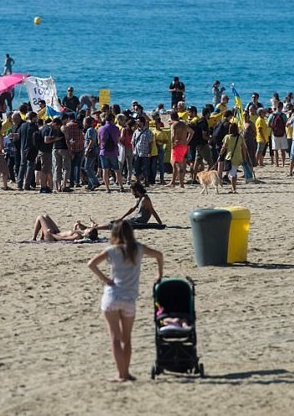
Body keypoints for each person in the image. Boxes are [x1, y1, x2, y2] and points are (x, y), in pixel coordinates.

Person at [87, 220, 164, 382]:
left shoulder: (112, 250)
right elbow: (159, 255)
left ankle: (120, 374)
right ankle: (126, 373)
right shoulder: (138, 248)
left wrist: (106, 279)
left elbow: (91, 264)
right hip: (129, 298)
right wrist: (159, 274)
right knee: (126, 338)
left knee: (115, 337)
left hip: (112, 296)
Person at [219, 122, 248, 194]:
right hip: (238, 157)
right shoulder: (240, 137)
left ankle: (234, 189)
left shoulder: (227, 137)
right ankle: (233, 188)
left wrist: (220, 154)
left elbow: (223, 147)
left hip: (230, 156)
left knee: (232, 174)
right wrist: (244, 157)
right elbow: (244, 148)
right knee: (233, 172)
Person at [167, 112, 193, 188]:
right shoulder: (183, 124)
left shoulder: (174, 125)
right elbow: (191, 132)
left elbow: (173, 136)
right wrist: (187, 141)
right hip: (184, 146)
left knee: (177, 165)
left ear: (171, 117)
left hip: (177, 145)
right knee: (177, 164)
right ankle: (173, 182)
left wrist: (173, 143)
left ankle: (181, 184)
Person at [32, 214, 96, 242]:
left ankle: (34, 238)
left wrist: (51, 234)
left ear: (88, 234)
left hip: (53, 237)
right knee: (46, 216)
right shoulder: (80, 234)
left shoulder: (77, 236)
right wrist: (76, 226)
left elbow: (63, 239)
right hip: (57, 232)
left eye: (88, 229)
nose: (87, 228)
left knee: (40, 217)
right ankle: (42, 237)